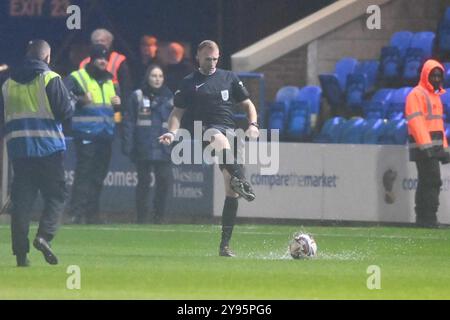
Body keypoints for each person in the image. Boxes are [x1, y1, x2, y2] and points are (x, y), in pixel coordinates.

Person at [159, 40, 258, 257]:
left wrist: (253, 125)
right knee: (216, 137)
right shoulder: (189, 82)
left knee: (231, 190)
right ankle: (242, 178)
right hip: (208, 132)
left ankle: (224, 245)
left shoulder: (229, 77)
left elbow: (248, 105)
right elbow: (177, 112)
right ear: (197, 57)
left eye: (215, 59)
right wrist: (172, 133)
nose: (212, 63)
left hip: (232, 134)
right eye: (207, 59)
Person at [0, 40, 73, 266]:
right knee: (56, 195)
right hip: (49, 149)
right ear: (47, 57)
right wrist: (73, 103)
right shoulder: (51, 79)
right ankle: (44, 237)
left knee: (21, 203)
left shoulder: (7, 83)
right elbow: (65, 113)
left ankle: (21, 256)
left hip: (19, 151)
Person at [65, 44, 121, 224]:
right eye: (99, 58)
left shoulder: (111, 80)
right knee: (84, 174)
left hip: (105, 135)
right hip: (86, 135)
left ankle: (92, 214)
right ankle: (76, 213)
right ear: (91, 58)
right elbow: (63, 99)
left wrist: (118, 105)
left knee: (98, 176)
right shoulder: (77, 77)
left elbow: (115, 109)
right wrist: (80, 100)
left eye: (105, 58)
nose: (103, 61)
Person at [122, 65, 173, 224]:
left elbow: (175, 123)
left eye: (160, 76)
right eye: (154, 76)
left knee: (163, 182)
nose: (157, 79)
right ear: (147, 77)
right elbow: (129, 121)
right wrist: (128, 144)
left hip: (163, 147)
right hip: (142, 145)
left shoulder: (169, 96)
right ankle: (142, 218)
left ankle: (159, 218)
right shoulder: (137, 96)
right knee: (143, 183)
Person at [405, 59, 450, 228]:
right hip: (424, 147)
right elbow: (416, 123)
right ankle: (428, 218)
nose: (437, 79)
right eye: (434, 75)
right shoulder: (416, 94)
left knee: (428, 181)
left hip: (431, 147)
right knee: (431, 181)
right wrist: (427, 147)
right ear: (426, 75)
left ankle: (425, 219)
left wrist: (444, 149)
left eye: (439, 75)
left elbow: (438, 126)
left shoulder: (435, 96)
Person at [79, 28, 132, 121]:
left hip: (114, 111)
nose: (99, 43)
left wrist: (122, 112)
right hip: (90, 117)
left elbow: (125, 89)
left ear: (110, 42)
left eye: (102, 41)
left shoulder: (118, 60)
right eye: (96, 41)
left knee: (118, 126)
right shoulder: (84, 63)